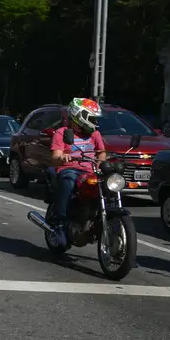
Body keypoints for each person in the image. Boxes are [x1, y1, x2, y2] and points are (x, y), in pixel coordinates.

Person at [49, 97, 106, 246]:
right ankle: (60, 222)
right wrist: (62, 157)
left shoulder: (95, 134)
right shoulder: (62, 133)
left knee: (109, 184)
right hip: (70, 169)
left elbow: (101, 153)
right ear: (79, 116)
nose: (95, 122)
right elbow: (55, 156)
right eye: (91, 118)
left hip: (90, 171)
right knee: (68, 180)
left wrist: (100, 165)